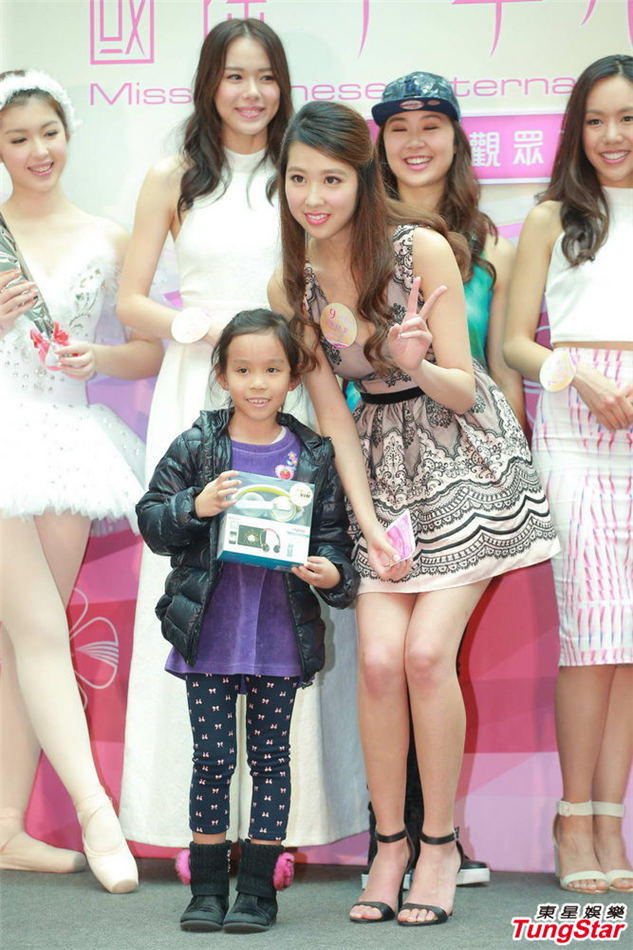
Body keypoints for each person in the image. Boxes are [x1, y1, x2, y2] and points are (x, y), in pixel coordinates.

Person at [269, 100, 559, 926]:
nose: (313, 197)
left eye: (332, 179)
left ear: (364, 179)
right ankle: (388, 845)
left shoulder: (418, 247)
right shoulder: (290, 282)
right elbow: (334, 416)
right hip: (378, 469)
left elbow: (465, 389)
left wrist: (415, 361)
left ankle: (438, 844)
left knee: (427, 655)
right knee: (375, 661)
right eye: (298, 179)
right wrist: (365, 525)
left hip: (462, 457)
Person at [119, 18, 367, 850]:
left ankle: (279, 832)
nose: (251, 92)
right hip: (201, 383)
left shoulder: (300, 174)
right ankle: (191, 826)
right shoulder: (174, 175)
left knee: (283, 587)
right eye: (234, 75)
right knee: (199, 586)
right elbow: (131, 301)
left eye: (265, 76)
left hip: (286, 389)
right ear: (209, 83)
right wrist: (193, 329)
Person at [136, 309, 358, 932]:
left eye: (272, 370)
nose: (257, 383)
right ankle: (207, 889)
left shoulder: (313, 453)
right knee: (211, 759)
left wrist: (332, 573)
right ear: (222, 375)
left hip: (280, 636)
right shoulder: (198, 444)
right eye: (242, 370)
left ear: (293, 377)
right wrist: (196, 505)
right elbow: (152, 520)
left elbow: (336, 542)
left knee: (271, 761)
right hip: (209, 633)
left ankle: (258, 892)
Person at [0, 70, 163, 892]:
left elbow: (146, 351)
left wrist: (94, 358)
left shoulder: (106, 236)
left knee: (22, 641)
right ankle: (98, 814)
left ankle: (5, 827)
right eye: (17, 138)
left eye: (48, 132)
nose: (38, 150)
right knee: (36, 631)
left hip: (66, 440)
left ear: (68, 133)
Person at [504, 54, 633, 894]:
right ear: (574, 129)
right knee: (591, 637)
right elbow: (513, 341)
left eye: (626, 118)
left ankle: (609, 825)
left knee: (629, 645)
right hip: (573, 429)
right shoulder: (552, 216)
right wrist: (575, 375)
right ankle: (572, 817)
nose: (610, 136)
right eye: (595, 120)